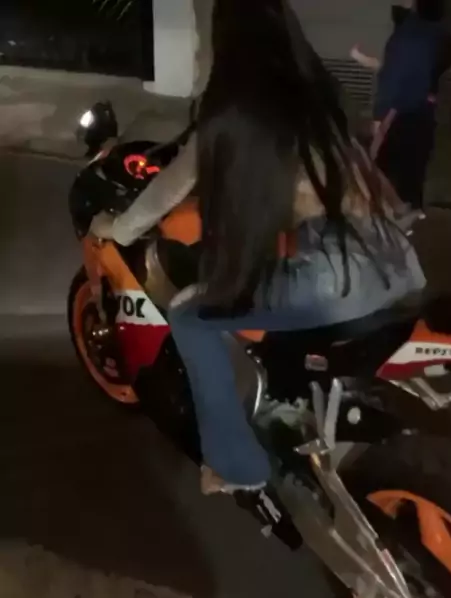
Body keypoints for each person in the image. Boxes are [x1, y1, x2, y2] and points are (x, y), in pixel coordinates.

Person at [91, 0, 426, 495]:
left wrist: (116, 227)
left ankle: (237, 465)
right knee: (273, 282)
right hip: (395, 261)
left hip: (337, 279)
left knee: (190, 314)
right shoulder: (319, 95)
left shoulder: (236, 112)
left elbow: (168, 190)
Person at [351, 0, 451, 208]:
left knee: (386, 174)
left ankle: (395, 216)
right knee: (412, 176)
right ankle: (410, 214)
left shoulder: (409, 35)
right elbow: (410, 69)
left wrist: (379, 117)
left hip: (401, 114)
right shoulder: (440, 35)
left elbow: (396, 74)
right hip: (422, 112)